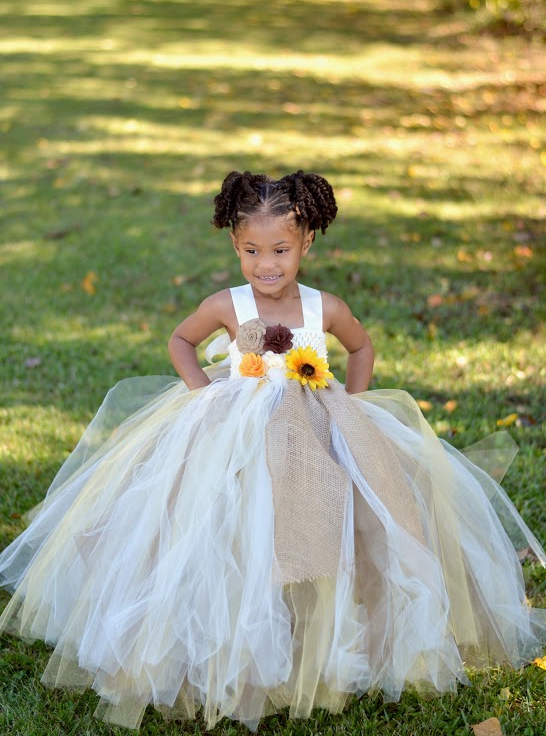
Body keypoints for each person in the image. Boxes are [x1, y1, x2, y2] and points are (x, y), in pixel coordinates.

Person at [0, 170, 544, 733]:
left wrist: (350, 407)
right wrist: (202, 393)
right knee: (238, 527)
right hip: (236, 434)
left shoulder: (324, 308)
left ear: (306, 242)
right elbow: (180, 341)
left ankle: (322, 640)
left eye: (280, 250)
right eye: (252, 250)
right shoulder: (228, 305)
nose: (267, 265)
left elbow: (360, 347)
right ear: (235, 245)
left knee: (324, 525)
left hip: (314, 429)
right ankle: (232, 646)